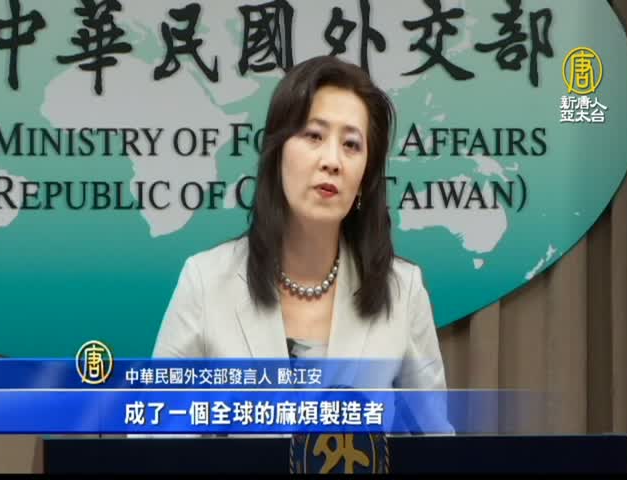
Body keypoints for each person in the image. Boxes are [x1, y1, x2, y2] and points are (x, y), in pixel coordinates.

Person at [152, 55, 449, 433]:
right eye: (314, 136)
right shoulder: (205, 282)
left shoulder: (403, 291)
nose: (332, 161)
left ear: (365, 177)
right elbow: (154, 436)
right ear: (277, 152)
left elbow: (435, 442)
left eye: (351, 144)